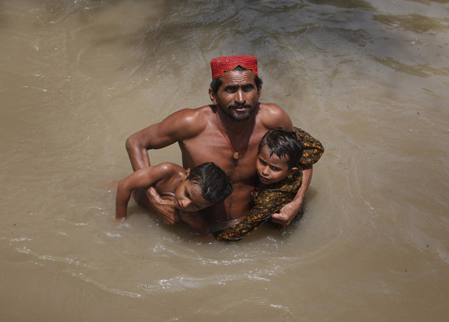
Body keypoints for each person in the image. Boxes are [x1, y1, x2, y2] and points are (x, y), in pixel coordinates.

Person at [126, 55, 323, 230]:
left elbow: (302, 157)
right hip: (196, 222)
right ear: (213, 95)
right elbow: (136, 142)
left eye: (247, 88)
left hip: (249, 223)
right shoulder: (192, 123)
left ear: (259, 90)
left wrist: (297, 202)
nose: (240, 98)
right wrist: (155, 200)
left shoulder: (273, 118)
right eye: (230, 89)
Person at [214, 128, 322, 242]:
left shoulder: (269, 199)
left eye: (275, 168)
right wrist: (284, 131)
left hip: (280, 221)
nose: (265, 172)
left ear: (291, 172)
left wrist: (213, 238)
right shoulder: (294, 156)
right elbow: (317, 147)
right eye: (262, 162)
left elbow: (244, 228)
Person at [116, 162, 233, 235]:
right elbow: (124, 186)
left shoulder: (191, 215)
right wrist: (120, 221)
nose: (185, 204)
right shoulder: (167, 172)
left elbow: (205, 236)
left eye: (196, 206)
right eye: (186, 194)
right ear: (186, 175)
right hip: (131, 197)